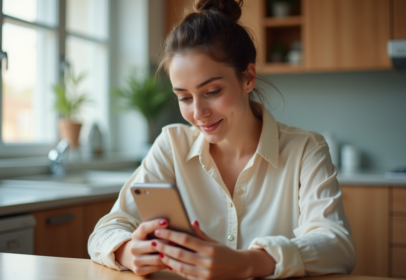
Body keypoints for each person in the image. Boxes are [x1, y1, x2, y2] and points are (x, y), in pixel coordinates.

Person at [88, 0, 356, 279]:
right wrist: (128, 251)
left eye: (212, 91)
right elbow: (107, 229)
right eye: (184, 97)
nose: (198, 112)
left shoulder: (305, 150)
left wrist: (249, 262)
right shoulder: (171, 146)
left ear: (248, 77)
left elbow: (337, 246)